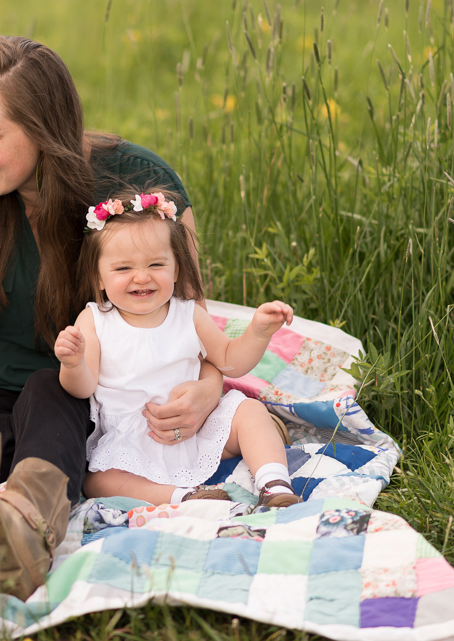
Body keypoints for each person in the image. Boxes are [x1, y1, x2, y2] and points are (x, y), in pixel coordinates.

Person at [0, 32, 225, 600]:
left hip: (89, 393)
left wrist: (209, 390)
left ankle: (22, 520)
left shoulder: (135, 184)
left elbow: (194, 322)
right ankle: (15, 526)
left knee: (49, 394)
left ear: (44, 131)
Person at [55, 190, 302, 508]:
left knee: (250, 412)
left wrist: (259, 331)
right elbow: (83, 387)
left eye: (156, 264)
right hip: (131, 442)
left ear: (176, 270)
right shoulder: (94, 320)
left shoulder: (188, 315)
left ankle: (274, 483)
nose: (141, 276)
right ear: (98, 277)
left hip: (198, 430)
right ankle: (184, 497)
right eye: (123, 269)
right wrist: (73, 364)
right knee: (97, 480)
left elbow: (230, 361)